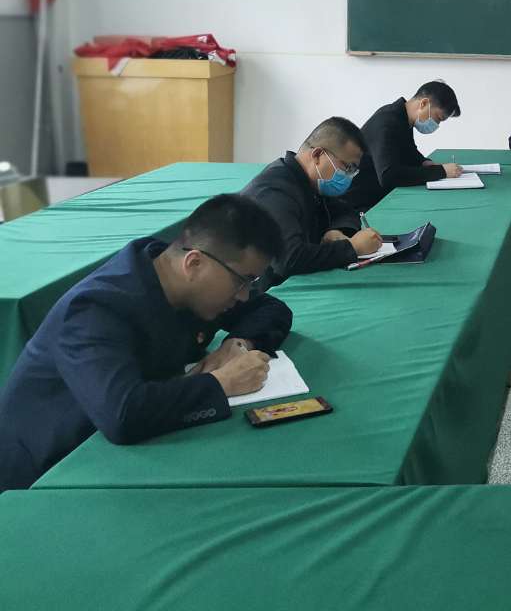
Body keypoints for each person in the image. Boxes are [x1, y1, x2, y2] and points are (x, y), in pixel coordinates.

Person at [0, 194, 290, 491]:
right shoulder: (95, 309)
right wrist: (223, 382)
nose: (243, 295)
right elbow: (122, 415)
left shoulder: (182, 280)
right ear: (194, 263)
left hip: (114, 452)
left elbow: (272, 309)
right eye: (242, 281)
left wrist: (238, 343)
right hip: (45, 472)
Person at [241, 116, 382, 289]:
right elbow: (289, 259)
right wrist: (352, 247)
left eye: (354, 170)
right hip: (255, 292)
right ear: (317, 155)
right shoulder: (276, 191)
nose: (349, 176)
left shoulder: (309, 182)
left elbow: (346, 211)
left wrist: (337, 231)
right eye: (348, 167)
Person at [347, 80, 463, 212]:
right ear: (424, 104)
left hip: (380, 196)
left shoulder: (401, 117)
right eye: (438, 118)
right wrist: (441, 171)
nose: (436, 124)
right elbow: (389, 176)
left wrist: (424, 162)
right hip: (362, 204)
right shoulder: (386, 123)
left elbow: (409, 151)